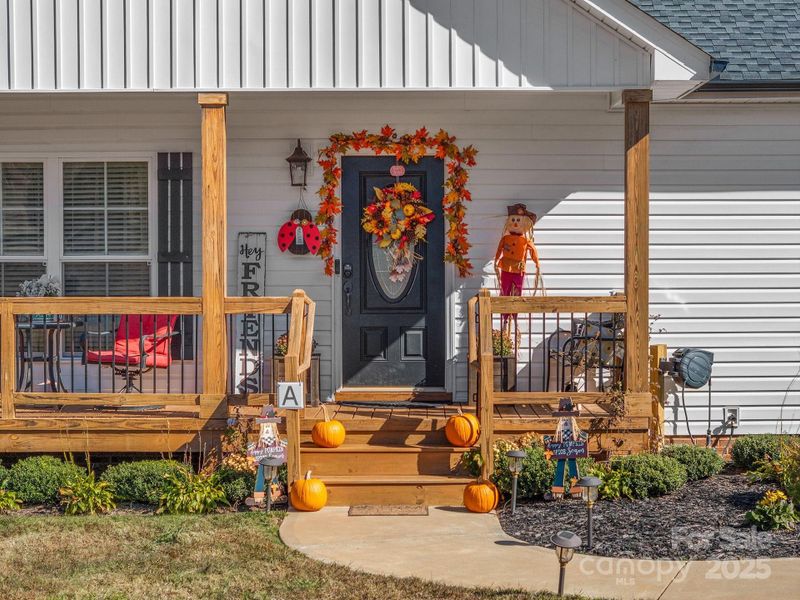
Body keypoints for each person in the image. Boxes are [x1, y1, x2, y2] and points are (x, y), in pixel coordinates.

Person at [494, 203, 542, 335]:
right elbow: (499, 250)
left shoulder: (526, 241)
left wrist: (537, 264)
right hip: (505, 268)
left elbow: (533, 252)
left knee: (517, 293)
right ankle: (505, 319)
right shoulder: (506, 238)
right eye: (513, 220)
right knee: (505, 291)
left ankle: (514, 318)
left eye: (518, 220)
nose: (515, 223)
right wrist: (496, 261)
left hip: (519, 269)